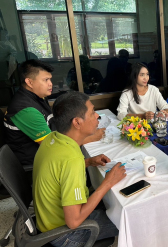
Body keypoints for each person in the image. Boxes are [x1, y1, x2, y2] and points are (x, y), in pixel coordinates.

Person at [33, 91, 126, 246]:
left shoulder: (53, 137)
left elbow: (59, 169)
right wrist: (107, 183)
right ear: (77, 122)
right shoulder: (72, 159)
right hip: (63, 234)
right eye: (92, 113)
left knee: (110, 202)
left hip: (47, 220)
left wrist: (88, 162)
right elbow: (74, 221)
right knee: (126, 219)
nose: (97, 116)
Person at [4, 59, 104, 166]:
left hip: (48, 152)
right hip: (37, 163)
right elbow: (53, 147)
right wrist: (89, 138)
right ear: (29, 82)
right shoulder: (26, 110)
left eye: (50, 79)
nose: (50, 84)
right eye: (46, 80)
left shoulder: (38, 96)